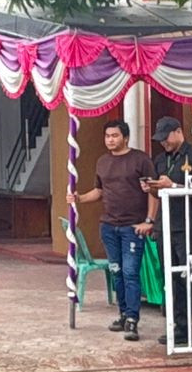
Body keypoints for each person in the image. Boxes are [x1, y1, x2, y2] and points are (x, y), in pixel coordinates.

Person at [66, 120, 157, 341]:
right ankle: (123, 314)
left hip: (132, 227)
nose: (110, 140)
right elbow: (99, 191)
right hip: (108, 226)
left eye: (115, 136)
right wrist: (79, 198)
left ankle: (133, 319)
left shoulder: (140, 160)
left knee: (130, 272)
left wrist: (149, 220)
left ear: (125, 137)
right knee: (116, 271)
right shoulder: (102, 162)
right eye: (107, 136)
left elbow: (152, 192)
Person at [145, 116, 192, 344]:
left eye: (166, 137)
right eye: (160, 139)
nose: (164, 143)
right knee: (171, 279)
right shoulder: (161, 160)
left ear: (178, 132)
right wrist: (151, 188)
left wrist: (174, 186)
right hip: (165, 225)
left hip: (187, 224)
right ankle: (181, 327)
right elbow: (158, 194)